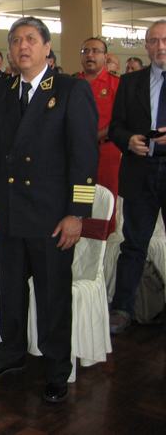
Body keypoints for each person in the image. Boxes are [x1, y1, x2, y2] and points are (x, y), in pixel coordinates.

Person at [0, 16, 98, 404]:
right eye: (15, 40)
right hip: (10, 211)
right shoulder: (2, 89)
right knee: (10, 291)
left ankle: (57, 367)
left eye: (31, 39)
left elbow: (84, 156)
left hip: (51, 216)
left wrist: (77, 213)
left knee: (52, 296)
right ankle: (12, 351)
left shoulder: (69, 90)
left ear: (48, 48)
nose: (22, 46)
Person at [108, 19, 166, 334]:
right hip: (140, 171)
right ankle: (122, 308)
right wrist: (127, 140)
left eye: (165, 40)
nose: (160, 47)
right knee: (133, 244)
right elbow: (116, 127)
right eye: (153, 41)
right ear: (146, 46)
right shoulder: (131, 83)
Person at [76, 38, 121, 234]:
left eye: (95, 51)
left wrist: (92, 137)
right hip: (77, 153)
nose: (90, 55)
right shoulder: (72, 83)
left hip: (106, 151)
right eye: (85, 51)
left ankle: (102, 239)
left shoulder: (116, 84)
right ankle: (80, 235)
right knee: (80, 196)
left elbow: (119, 121)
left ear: (105, 56)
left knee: (106, 197)